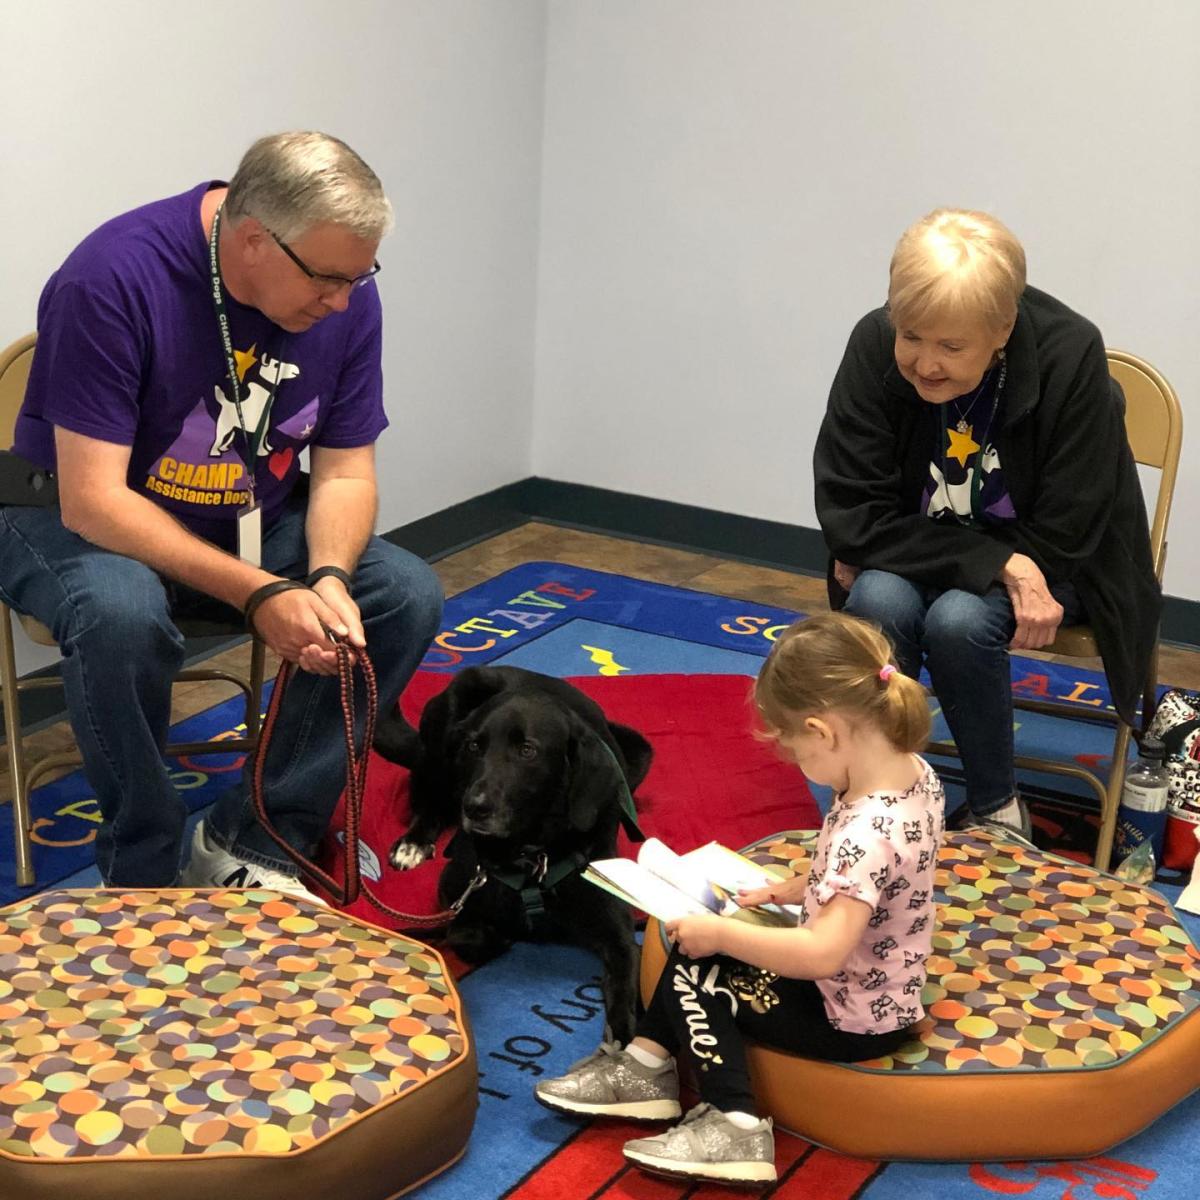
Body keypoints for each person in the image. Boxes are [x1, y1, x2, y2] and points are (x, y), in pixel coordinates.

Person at [0, 132, 443, 894]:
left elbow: (343, 468)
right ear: (252, 241)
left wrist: (329, 575)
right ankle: (142, 866)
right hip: (71, 513)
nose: (344, 300)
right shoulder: (110, 278)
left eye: (359, 275)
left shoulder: (343, 294)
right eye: (329, 279)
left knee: (400, 594)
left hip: (243, 513)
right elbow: (94, 500)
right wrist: (260, 591)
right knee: (119, 613)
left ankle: (258, 836)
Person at [534, 612, 943, 1186]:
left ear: (822, 731)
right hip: (877, 990)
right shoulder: (913, 774)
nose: (801, 766)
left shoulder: (864, 831)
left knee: (697, 963)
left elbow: (823, 952)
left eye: (796, 750)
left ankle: (736, 1122)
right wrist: (795, 887)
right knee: (701, 932)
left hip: (844, 1014)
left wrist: (725, 936)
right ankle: (648, 1064)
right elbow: (889, 875)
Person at [814, 208, 1160, 836]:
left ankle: (998, 809)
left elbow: (1067, 532)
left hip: (1055, 559)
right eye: (911, 335)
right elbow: (851, 513)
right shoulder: (873, 343)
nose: (924, 363)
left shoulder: (1069, 351)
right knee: (876, 596)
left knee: (958, 619)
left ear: (1002, 329)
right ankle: (878, 793)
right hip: (955, 556)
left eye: (951, 346)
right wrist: (993, 561)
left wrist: (996, 562)